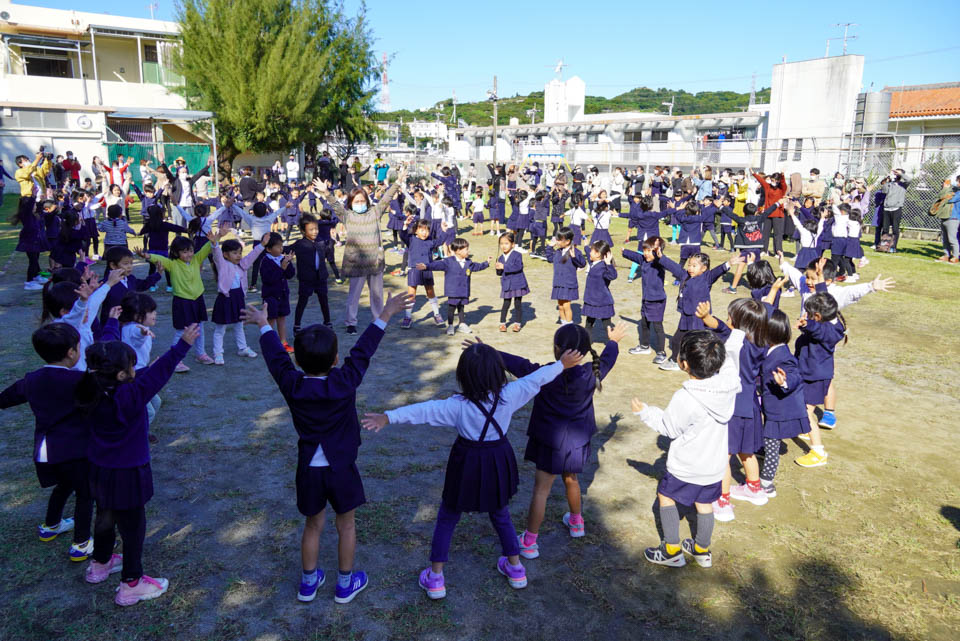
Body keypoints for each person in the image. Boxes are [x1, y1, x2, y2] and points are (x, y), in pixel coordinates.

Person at [361, 341, 583, 600]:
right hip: (497, 459)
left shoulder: (456, 406)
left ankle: (435, 579)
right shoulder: (510, 394)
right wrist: (561, 365)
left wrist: (388, 416)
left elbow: (424, 410)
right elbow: (536, 379)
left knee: (448, 515)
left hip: (466, 461)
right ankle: (516, 568)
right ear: (498, 374)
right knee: (500, 512)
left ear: (463, 376)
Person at [242, 291, 411, 604]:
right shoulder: (344, 381)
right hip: (342, 468)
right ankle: (345, 585)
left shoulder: (292, 384)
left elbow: (276, 359)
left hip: (309, 469)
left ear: (297, 361)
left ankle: (308, 584)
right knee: (346, 525)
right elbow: (363, 351)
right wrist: (385, 313)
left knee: (313, 525)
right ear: (335, 360)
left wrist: (265, 325)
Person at [80, 324, 200, 606]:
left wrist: (110, 321)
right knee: (133, 527)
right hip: (129, 473)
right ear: (122, 375)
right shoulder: (130, 396)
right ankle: (131, 583)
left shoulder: (89, 388)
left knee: (105, 516)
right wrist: (181, 345)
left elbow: (143, 374)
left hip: (99, 469)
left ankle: (100, 563)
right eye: (132, 366)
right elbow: (156, 377)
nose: (136, 369)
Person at [499, 322, 624, 558]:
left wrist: (491, 352)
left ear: (557, 349)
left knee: (541, 490)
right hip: (576, 442)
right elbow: (608, 360)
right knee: (572, 479)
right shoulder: (591, 372)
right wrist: (614, 341)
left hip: (550, 441)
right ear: (586, 350)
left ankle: (529, 541)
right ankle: (577, 523)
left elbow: (519, 365)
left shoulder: (545, 374)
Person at [632, 329, 740, 568]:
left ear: (683, 363)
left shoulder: (686, 397)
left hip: (686, 466)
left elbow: (668, 427)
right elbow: (732, 357)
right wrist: (739, 332)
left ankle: (671, 551)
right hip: (714, 466)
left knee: (666, 497)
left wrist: (644, 412)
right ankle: (702, 550)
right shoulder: (729, 386)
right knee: (704, 504)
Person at [0, 324, 93, 561]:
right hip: (75, 450)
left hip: (46, 452)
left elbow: (7, 398)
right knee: (85, 493)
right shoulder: (80, 380)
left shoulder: (32, 379)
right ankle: (81, 543)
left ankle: (51, 525)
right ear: (72, 352)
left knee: (64, 486)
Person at [312, 166, 407, 335]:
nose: (360, 204)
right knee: (353, 295)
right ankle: (351, 323)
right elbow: (334, 204)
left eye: (362, 201)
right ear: (350, 203)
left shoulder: (375, 213)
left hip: (375, 261)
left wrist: (398, 182)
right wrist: (326, 191)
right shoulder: (348, 215)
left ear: (367, 201)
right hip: (356, 262)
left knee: (377, 295)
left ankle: (378, 320)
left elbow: (387, 197)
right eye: (356, 201)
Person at [697, 299, 768, 522]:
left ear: (736, 322)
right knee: (746, 451)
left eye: (729, 316)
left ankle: (722, 500)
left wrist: (706, 318)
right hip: (751, 404)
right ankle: (754, 488)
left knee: (723, 455)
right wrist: (708, 318)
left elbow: (722, 329)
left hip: (732, 405)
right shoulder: (760, 341)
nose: (726, 319)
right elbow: (722, 327)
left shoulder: (734, 341)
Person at [658, 252, 744, 370]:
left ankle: (707, 362)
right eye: (689, 265)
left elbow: (717, 271)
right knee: (676, 340)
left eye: (694, 266)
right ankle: (675, 360)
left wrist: (729, 263)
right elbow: (674, 267)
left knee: (700, 343)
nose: (690, 268)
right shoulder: (685, 275)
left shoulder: (706, 278)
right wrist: (661, 257)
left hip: (699, 317)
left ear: (703, 268)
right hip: (686, 316)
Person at [138, 236, 215, 370]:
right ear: (176, 253)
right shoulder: (172, 264)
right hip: (182, 301)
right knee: (181, 331)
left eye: (190, 250)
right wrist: (147, 255)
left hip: (197, 299)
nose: (189, 254)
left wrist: (216, 238)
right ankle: (175, 359)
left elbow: (205, 248)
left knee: (199, 328)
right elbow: (160, 259)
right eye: (184, 252)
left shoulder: (196, 259)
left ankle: (200, 354)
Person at [758, 309, 809, 494]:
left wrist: (785, 382)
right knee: (768, 440)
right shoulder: (772, 348)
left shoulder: (784, 356)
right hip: (771, 406)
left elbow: (795, 375)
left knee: (772, 445)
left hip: (780, 410)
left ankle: (766, 484)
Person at [793, 292, 846, 468]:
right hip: (811, 374)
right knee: (802, 408)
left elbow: (818, 330)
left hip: (814, 378)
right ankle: (806, 430)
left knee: (806, 412)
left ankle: (818, 451)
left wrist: (807, 324)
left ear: (817, 316)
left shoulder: (827, 331)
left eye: (808, 314)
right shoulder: (832, 322)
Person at [42, 269, 123, 371]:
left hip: (87, 372)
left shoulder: (82, 322)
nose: (87, 310)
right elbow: (78, 311)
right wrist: (82, 301)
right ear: (64, 312)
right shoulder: (65, 326)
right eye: (83, 307)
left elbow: (94, 302)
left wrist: (109, 284)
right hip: (74, 377)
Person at [209, 228, 265, 365]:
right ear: (226, 255)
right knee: (220, 328)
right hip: (225, 299)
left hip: (238, 298)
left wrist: (262, 245)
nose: (239, 256)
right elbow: (216, 254)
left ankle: (243, 348)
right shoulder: (222, 264)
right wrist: (215, 244)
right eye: (235, 253)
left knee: (239, 325)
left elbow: (252, 256)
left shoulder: (242, 265)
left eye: (240, 253)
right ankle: (218, 353)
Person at [417, 237, 491, 335]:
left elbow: (477, 267)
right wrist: (426, 266)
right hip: (453, 290)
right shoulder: (448, 261)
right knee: (451, 308)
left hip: (463, 289)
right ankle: (451, 326)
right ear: (458, 251)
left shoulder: (469, 262)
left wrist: (486, 263)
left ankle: (462, 324)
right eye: (466, 249)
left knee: (461, 307)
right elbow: (437, 265)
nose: (468, 251)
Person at [622, 236, 668, 363]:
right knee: (644, 323)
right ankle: (644, 346)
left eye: (649, 251)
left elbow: (662, 259)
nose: (646, 253)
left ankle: (661, 352)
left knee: (657, 326)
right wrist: (624, 252)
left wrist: (659, 254)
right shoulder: (644, 260)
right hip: (646, 299)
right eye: (645, 250)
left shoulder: (659, 263)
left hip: (657, 300)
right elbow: (636, 257)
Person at [98, 247, 161, 326]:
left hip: (130, 323)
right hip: (112, 325)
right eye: (125, 263)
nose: (130, 266)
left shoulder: (130, 279)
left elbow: (143, 284)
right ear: (113, 265)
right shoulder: (105, 284)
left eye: (131, 263)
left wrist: (157, 275)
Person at [401, 219, 445, 330]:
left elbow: (440, 241)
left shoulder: (430, 241)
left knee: (430, 291)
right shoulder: (411, 239)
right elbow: (403, 235)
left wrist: (444, 231)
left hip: (427, 269)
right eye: (422, 230)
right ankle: (407, 317)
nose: (425, 233)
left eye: (427, 230)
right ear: (416, 231)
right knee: (411, 293)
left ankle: (436, 314)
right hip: (413, 270)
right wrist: (405, 225)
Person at [259, 232, 296, 352]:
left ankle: (283, 342)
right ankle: (269, 342)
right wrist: (282, 269)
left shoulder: (282, 258)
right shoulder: (265, 262)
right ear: (269, 249)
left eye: (282, 245)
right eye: (278, 246)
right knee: (270, 319)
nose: (281, 248)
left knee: (282, 318)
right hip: (271, 296)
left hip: (283, 294)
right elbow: (269, 279)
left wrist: (288, 263)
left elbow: (290, 275)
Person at [544, 227, 586, 325]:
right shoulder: (558, 252)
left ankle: (569, 324)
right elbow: (550, 259)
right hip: (558, 282)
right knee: (560, 305)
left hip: (568, 283)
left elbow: (582, 264)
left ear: (567, 241)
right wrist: (550, 247)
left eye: (559, 239)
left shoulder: (575, 251)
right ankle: (563, 323)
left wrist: (574, 257)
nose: (557, 241)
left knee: (566, 306)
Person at [495, 232, 528, 333]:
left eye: (506, 243)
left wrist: (504, 267)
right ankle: (502, 323)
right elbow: (499, 273)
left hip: (517, 283)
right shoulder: (500, 257)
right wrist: (498, 268)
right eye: (501, 244)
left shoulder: (517, 255)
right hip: (507, 284)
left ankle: (517, 323)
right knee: (506, 304)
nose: (503, 246)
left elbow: (518, 267)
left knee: (517, 304)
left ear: (512, 244)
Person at [581, 240, 617, 331]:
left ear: (597, 254)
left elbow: (613, 276)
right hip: (591, 301)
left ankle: (612, 342)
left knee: (607, 325)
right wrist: (586, 246)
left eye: (591, 251)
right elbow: (589, 257)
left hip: (602, 302)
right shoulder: (594, 263)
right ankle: (586, 344)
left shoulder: (604, 267)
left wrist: (609, 264)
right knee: (588, 324)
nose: (589, 252)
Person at [878, 169, 909, 253]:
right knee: (885, 229)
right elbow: (884, 191)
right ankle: (884, 246)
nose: (895, 174)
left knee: (895, 229)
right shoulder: (890, 184)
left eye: (897, 172)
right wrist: (886, 181)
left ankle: (893, 247)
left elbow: (909, 180)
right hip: (887, 208)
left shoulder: (903, 185)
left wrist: (900, 174)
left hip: (896, 208)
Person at [932, 176, 960, 263]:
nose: (957, 183)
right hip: (945, 216)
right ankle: (946, 255)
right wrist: (946, 188)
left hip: (953, 217)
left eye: (958, 181)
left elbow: (949, 199)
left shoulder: (958, 193)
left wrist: (946, 189)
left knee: (952, 238)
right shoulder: (953, 191)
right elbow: (940, 197)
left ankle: (955, 256)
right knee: (945, 238)